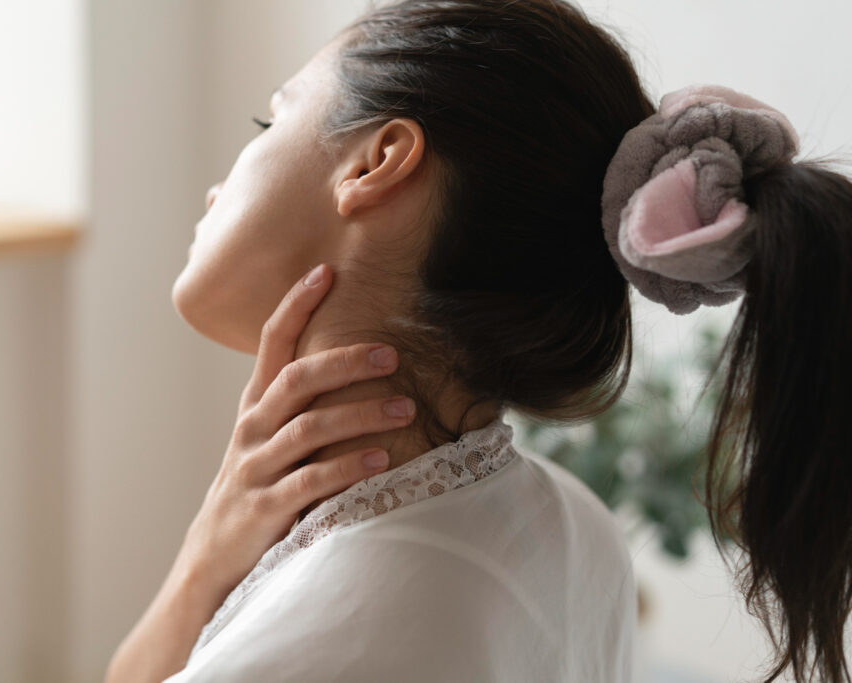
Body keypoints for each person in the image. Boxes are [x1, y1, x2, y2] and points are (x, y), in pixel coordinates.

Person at [106, 1, 852, 682]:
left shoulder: (319, 648)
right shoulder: (577, 531)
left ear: (376, 162)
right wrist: (205, 564)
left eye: (271, 123)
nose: (217, 184)